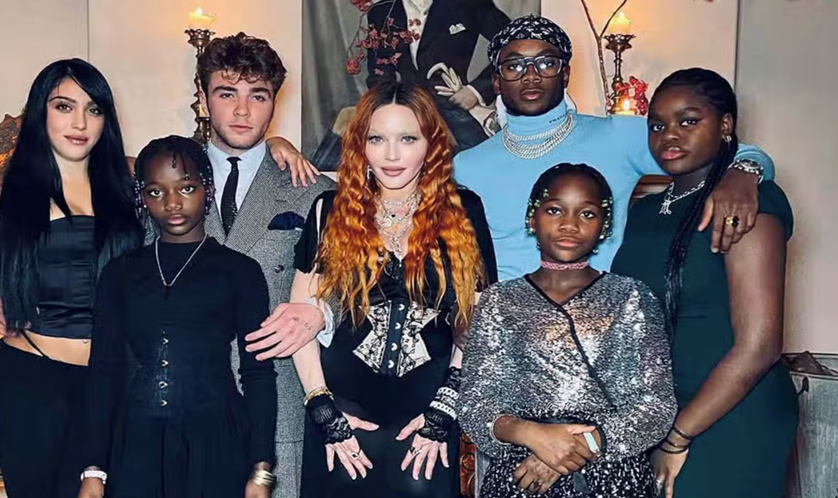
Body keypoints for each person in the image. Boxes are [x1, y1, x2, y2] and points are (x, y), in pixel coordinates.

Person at [290, 81, 497, 498]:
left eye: (407, 139)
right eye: (377, 139)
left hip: (429, 409)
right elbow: (300, 321)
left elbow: (477, 319)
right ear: (360, 145)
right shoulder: (329, 210)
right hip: (342, 407)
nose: (391, 155)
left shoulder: (464, 209)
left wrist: (445, 408)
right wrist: (322, 408)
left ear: (431, 144)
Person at [453, 15, 776, 281]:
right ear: (496, 82)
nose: (531, 75)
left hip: (604, 321)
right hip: (509, 323)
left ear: (565, 74)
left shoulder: (617, 135)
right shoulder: (467, 166)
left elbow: (734, 151)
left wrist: (743, 174)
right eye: (514, 66)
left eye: (546, 63)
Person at [0, 58, 143, 497]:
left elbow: (203, 170)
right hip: (30, 388)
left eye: (93, 109)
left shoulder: (132, 181)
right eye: (64, 106)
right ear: (40, 110)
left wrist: (276, 145)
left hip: (116, 386)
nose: (80, 123)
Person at [611, 68, 798, 498]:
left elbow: (760, 347)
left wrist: (678, 437)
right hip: (661, 407)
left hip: (731, 411)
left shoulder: (745, 203)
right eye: (657, 126)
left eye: (688, 120)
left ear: (725, 125)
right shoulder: (644, 211)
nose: (669, 136)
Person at [458, 163, 676, 498]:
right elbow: (475, 404)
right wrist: (532, 435)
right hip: (521, 473)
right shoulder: (499, 301)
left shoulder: (632, 297)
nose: (569, 225)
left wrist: (579, 446)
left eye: (587, 214)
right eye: (554, 210)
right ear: (532, 218)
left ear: (604, 225)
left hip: (611, 474)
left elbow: (656, 406)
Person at [77, 136, 276, 498]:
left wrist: (261, 470)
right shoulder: (120, 273)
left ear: (208, 190)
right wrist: (93, 468)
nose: (172, 203)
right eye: (156, 192)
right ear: (142, 198)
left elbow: (258, 373)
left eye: (186, 188)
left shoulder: (240, 272)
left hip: (217, 442)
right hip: (136, 445)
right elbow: (104, 371)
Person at [187, 32, 337, 498]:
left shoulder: (313, 192)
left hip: (278, 401)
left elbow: (350, 288)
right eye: (226, 94)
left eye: (258, 95)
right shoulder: (167, 178)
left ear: (275, 103)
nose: (242, 110)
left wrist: (320, 312)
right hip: (185, 400)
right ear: (202, 99)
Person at [366, 0, 511, 150]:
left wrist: (476, 90)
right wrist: (389, 106)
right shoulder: (382, 11)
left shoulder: (471, 4)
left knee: (477, 156)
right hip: (406, 110)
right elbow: (379, 72)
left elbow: (515, 46)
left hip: (456, 109)